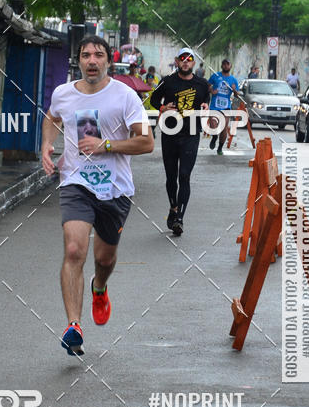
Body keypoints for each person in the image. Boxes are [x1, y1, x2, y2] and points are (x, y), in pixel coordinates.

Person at [41, 35, 153, 356]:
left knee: (104, 258)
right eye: (86, 55)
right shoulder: (64, 93)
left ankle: (99, 287)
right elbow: (53, 117)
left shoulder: (124, 96)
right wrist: (47, 145)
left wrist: (107, 145)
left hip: (114, 189)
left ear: (108, 61)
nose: (92, 61)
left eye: (98, 55)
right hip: (76, 182)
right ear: (79, 60)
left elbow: (146, 143)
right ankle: (73, 325)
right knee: (75, 248)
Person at [149, 47, 210, 237]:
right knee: (171, 176)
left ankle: (180, 218)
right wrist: (162, 107)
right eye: (182, 59)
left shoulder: (202, 83)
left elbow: (206, 99)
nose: (185, 62)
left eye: (189, 59)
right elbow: (153, 99)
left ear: (193, 63)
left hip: (191, 134)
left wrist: (206, 105)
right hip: (169, 133)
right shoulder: (167, 81)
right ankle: (173, 208)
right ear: (177, 61)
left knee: (184, 175)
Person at [208, 58, 240, 154]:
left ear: (230, 66)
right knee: (214, 126)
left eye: (228, 64)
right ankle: (214, 138)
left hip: (226, 107)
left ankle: (220, 148)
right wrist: (212, 91)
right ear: (222, 66)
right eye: (224, 64)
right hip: (214, 106)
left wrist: (234, 90)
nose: (226, 66)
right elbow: (208, 85)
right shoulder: (216, 76)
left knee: (223, 128)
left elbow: (237, 95)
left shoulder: (233, 80)